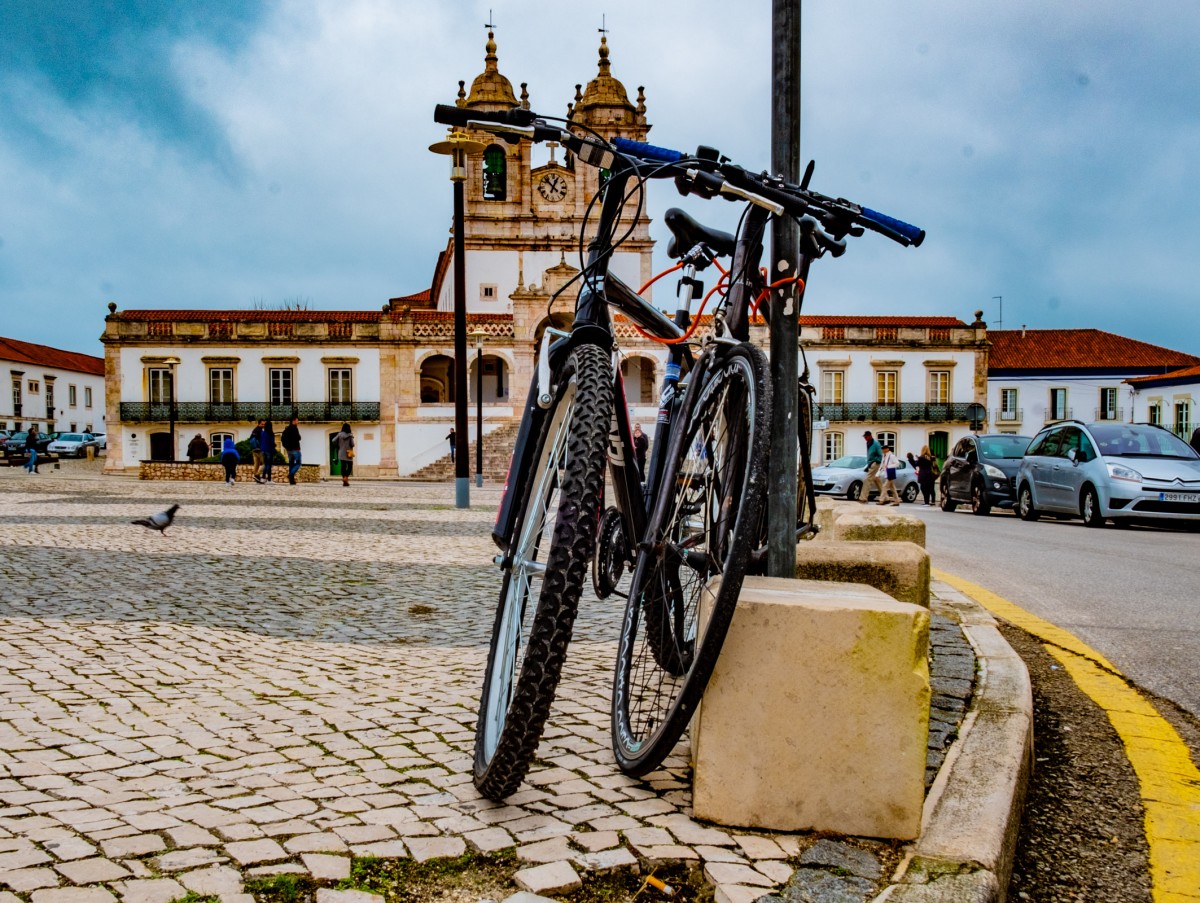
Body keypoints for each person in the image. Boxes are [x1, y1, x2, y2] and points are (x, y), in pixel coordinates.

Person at [860, 430, 883, 502]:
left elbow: (880, 454)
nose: (865, 438)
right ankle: (885, 497)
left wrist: (875, 461)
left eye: (866, 437)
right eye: (864, 437)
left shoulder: (876, 443)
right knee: (876, 480)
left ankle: (863, 498)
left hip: (875, 463)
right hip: (871, 463)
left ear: (870, 436)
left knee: (867, 480)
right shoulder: (868, 443)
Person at [282, 416, 302, 485]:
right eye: (297, 420)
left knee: (291, 464)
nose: (298, 422)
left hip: (289, 450)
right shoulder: (295, 428)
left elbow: (283, 439)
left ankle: (292, 481)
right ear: (293, 421)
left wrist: (286, 447)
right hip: (296, 449)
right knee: (298, 463)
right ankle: (291, 474)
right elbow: (298, 437)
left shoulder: (286, 429)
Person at [334, 423, 355, 487]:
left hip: (341, 453)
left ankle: (344, 480)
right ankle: (346, 478)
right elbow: (353, 444)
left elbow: (333, 440)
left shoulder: (339, 434)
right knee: (350, 467)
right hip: (348, 453)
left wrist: (338, 444)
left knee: (343, 467)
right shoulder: (350, 435)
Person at [259, 419, 277, 483]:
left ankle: (263, 478)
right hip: (269, 450)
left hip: (263, 450)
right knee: (269, 465)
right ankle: (269, 480)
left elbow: (261, 441)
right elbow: (272, 443)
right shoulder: (271, 434)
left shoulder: (262, 433)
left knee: (266, 464)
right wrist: (275, 445)